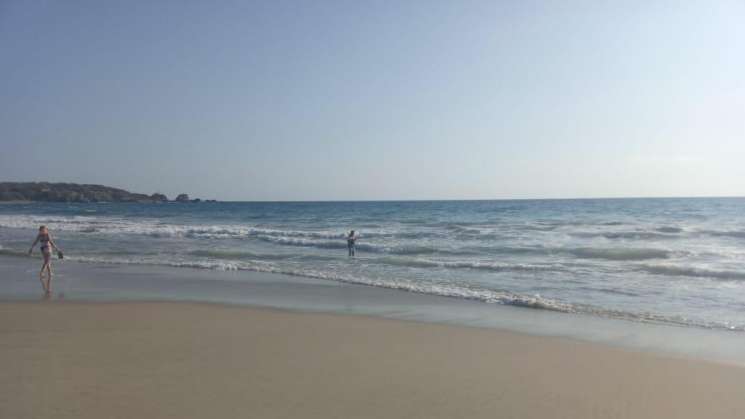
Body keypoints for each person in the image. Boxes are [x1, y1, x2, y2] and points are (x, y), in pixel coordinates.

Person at [28, 225, 62, 295]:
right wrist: (31, 248)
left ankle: (44, 273)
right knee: (47, 262)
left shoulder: (47, 235)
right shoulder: (39, 235)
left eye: (44, 230)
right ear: (40, 231)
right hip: (43, 249)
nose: (42, 231)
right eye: (41, 230)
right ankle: (46, 273)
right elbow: (35, 242)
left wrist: (57, 249)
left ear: (46, 230)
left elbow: (52, 242)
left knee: (47, 261)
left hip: (49, 248)